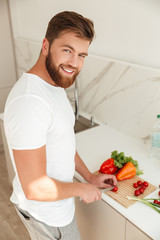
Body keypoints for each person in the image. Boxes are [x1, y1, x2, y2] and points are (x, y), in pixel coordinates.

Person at [4, 11, 117, 240]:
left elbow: (63, 142)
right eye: (67, 50)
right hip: (46, 217)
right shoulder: (30, 102)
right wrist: (81, 189)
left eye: (82, 55)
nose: (74, 63)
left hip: (57, 207)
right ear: (46, 45)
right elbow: (34, 187)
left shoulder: (54, 85)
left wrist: (89, 177)